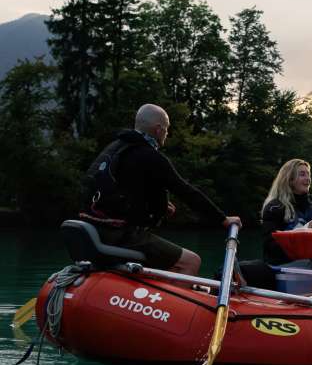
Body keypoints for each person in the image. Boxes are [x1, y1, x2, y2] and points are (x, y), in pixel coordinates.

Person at [80, 103, 241, 275]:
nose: (167, 133)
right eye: (166, 129)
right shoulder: (150, 156)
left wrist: (161, 207)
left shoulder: (116, 148)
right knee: (191, 262)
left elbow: (128, 188)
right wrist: (223, 219)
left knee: (167, 262)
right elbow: (186, 192)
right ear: (158, 130)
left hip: (94, 229)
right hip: (119, 235)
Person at [261, 159, 312, 265]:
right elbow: (271, 246)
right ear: (290, 179)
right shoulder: (274, 207)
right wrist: (305, 230)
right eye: (302, 174)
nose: (308, 178)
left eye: (308, 174)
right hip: (285, 266)